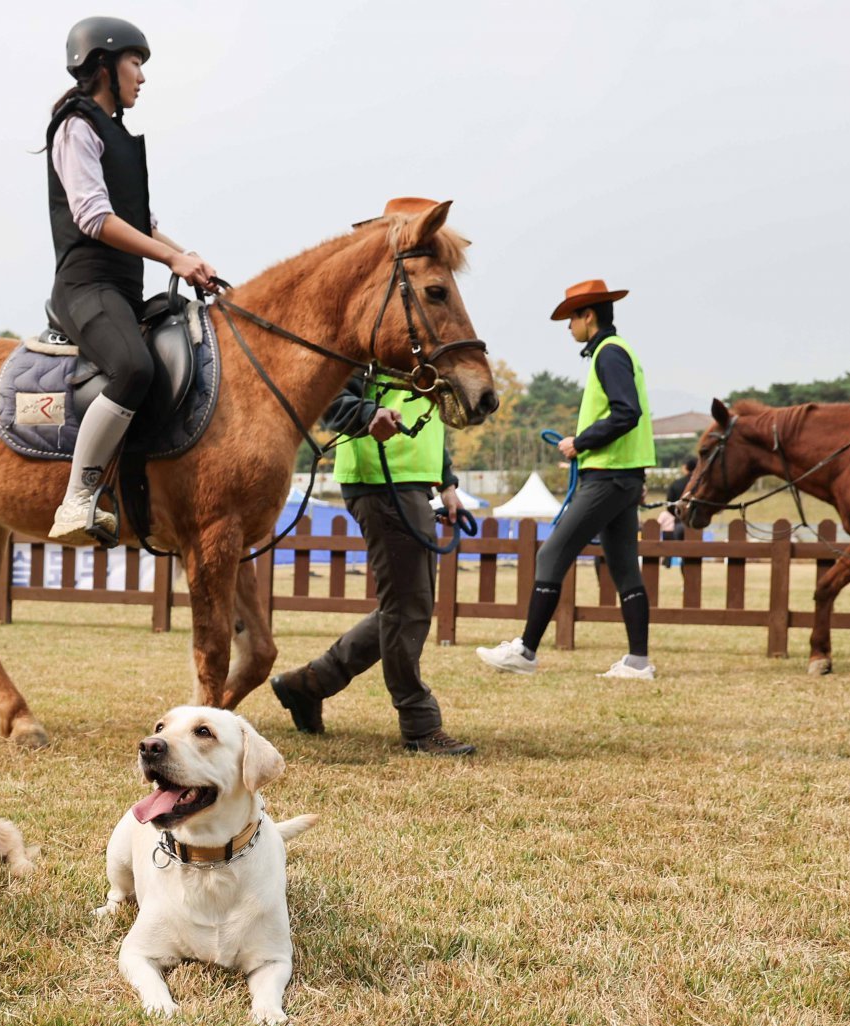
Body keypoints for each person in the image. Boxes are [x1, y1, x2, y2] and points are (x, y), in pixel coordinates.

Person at [269, 212, 475, 755]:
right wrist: (367, 416)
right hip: (376, 476)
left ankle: (305, 685)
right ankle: (419, 722)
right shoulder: (371, 319)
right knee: (408, 607)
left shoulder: (413, 331)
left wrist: (446, 481)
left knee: (404, 606)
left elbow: (426, 407)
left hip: (412, 480)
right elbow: (331, 399)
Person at [43, 17, 219, 544]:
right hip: (85, 288)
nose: (142, 76)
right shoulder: (76, 126)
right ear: (103, 65)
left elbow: (142, 224)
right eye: (135, 63)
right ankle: (77, 499)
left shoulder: (117, 134)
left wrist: (186, 255)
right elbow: (95, 218)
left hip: (120, 289)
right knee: (134, 367)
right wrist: (171, 262)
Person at [476, 279, 656, 679]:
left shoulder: (608, 354)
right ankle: (638, 662)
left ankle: (525, 651)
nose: (567, 326)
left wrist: (581, 442)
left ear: (588, 316)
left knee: (551, 554)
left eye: (571, 317)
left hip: (607, 476)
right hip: (624, 478)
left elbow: (627, 413)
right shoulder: (618, 351)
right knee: (625, 567)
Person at [660, 455, 697, 566]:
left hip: (679, 522)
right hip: (695, 522)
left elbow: (669, 505)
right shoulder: (700, 484)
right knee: (692, 553)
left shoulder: (676, 484)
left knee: (682, 551)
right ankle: (689, 578)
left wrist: (678, 515)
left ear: (685, 467)